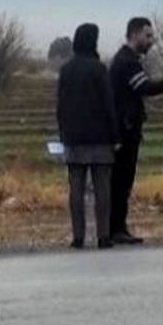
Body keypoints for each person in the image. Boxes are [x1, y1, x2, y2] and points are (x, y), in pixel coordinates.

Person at [108, 16, 163, 245]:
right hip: (125, 130)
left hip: (125, 127)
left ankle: (116, 227)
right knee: (122, 180)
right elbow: (146, 88)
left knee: (121, 181)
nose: (151, 40)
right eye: (148, 35)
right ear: (134, 34)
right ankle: (116, 229)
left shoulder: (125, 59)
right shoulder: (128, 62)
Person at [56, 23, 117, 250]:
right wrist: (115, 134)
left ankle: (78, 236)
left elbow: (60, 105)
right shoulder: (99, 69)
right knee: (103, 189)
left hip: (74, 136)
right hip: (100, 137)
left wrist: (63, 132)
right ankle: (104, 235)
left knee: (76, 188)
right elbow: (108, 103)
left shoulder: (66, 70)